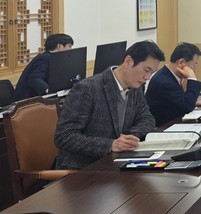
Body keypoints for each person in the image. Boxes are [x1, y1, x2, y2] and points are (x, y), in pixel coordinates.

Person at [54, 40, 165, 169]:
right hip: (83, 168)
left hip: (117, 162)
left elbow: (147, 119)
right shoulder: (87, 88)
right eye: (146, 70)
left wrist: (129, 138)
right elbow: (64, 136)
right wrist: (110, 144)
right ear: (128, 62)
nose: (147, 77)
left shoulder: (135, 87)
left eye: (152, 73)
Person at [145, 42, 201, 126]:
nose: (194, 69)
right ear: (181, 62)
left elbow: (177, 102)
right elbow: (187, 108)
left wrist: (195, 102)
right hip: (161, 127)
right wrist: (192, 79)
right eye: (194, 64)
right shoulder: (164, 82)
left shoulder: (168, 75)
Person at [13, 33, 74, 101]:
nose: (71, 50)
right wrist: (50, 91)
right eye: (69, 46)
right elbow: (34, 79)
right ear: (59, 46)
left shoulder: (53, 58)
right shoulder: (45, 58)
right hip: (25, 102)